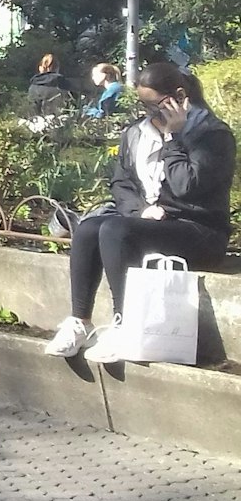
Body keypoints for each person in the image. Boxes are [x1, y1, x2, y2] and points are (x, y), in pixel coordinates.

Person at [45, 62, 236, 361]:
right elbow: (121, 183)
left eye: (154, 105)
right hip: (154, 225)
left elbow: (186, 186)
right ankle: (79, 321)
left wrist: (173, 139)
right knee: (89, 228)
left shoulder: (212, 135)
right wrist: (141, 209)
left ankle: (127, 324)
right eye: (143, 105)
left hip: (200, 231)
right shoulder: (137, 134)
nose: (148, 112)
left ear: (179, 96)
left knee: (115, 230)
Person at [27, 53, 76, 118]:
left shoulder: (33, 86)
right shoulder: (64, 84)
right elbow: (72, 108)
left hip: (38, 123)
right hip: (61, 122)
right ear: (57, 68)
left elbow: (31, 110)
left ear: (40, 68)